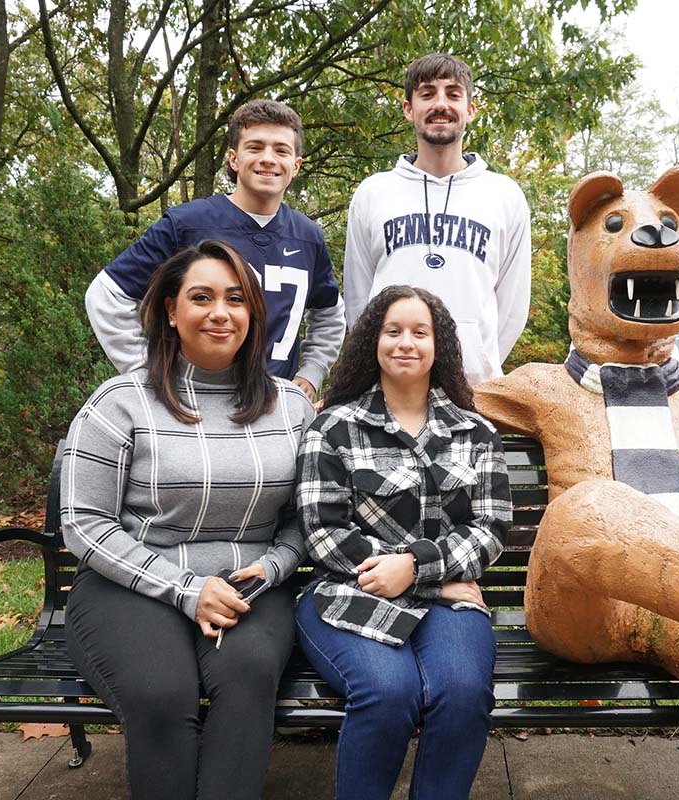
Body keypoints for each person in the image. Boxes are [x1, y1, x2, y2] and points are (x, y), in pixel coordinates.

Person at [61, 240, 315, 800]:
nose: (219, 312)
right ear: (171, 312)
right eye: (201, 297)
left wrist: (273, 567)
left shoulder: (292, 408)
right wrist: (185, 589)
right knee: (161, 691)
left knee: (248, 678)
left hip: (249, 588)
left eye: (235, 299)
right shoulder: (120, 402)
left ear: (253, 314)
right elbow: (83, 522)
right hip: (128, 586)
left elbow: (308, 518)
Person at [294, 285, 512, 800]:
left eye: (420, 332)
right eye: (393, 331)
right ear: (373, 340)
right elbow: (322, 533)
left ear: (440, 345)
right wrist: (431, 581)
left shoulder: (475, 433)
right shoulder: (334, 428)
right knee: (389, 694)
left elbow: (491, 529)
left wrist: (415, 568)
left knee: (461, 694)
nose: (405, 343)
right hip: (348, 593)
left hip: (445, 601)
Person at [86, 99, 344, 401]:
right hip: (192, 405)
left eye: (281, 150)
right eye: (255, 147)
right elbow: (106, 295)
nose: (268, 159)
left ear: (296, 165)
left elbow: (329, 312)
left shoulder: (308, 237)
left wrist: (311, 373)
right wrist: (149, 370)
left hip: (274, 410)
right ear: (234, 159)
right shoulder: (187, 224)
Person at [343, 53, 531, 385]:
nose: (440, 104)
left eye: (453, 94)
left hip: (473, 390)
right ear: (408, 109)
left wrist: (477, 360)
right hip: (388, 386)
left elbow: (512, 305)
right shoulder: (373, 193)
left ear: (470, 110)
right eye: (427, 94)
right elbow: (359, 299)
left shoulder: (505, 195)